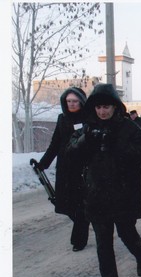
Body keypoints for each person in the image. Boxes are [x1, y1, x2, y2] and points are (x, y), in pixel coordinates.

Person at [67, 83, 141, 277]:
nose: (102, 111)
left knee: (127, 235)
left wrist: (120, 148)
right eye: (98, 107)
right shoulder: (88, 127)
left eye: (106, 107)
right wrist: (88, 139)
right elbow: (72, 150)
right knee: (103, 243)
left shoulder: (127, 127)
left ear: (115, 107)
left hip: (123, 194)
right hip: (97, 195)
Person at [38, 87, 90, 252]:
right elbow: (55, 143)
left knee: (80, 205)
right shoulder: (62, 118)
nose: (72, 104)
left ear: (81, 102)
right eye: (68, 101)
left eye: (75, 101)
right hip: (65, 167)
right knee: (64, 204)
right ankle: (84, 223)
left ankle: (79, 239)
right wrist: (44, 163)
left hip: (82, 168)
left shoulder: (89, 118)